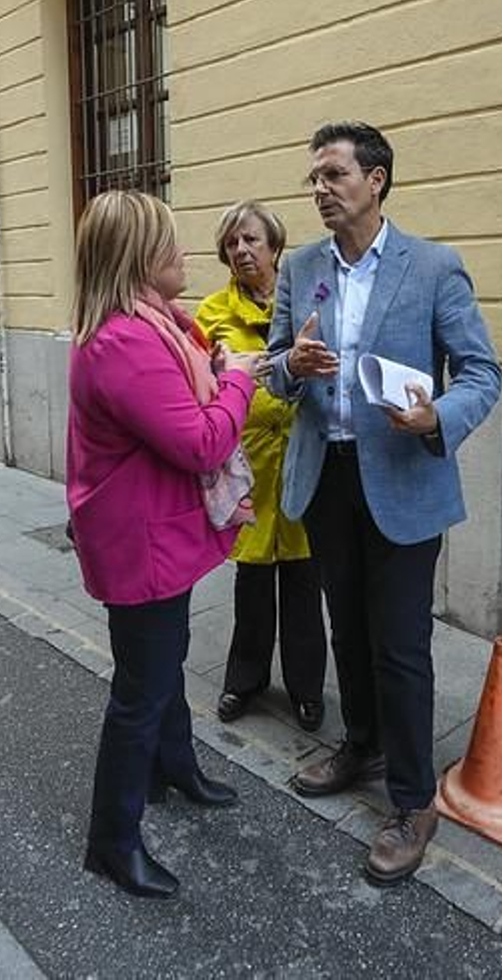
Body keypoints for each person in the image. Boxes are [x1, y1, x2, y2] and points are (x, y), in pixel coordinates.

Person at [267, 122, 501, 886]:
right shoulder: (301, 267)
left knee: (400, 644)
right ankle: (360, 741)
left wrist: (439, 415)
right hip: (327, 475)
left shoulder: (434, 267)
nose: (321, 189)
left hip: (402, 477)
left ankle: (412, 799)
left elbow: (480, 373)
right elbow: (273, 371)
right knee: (349, 628)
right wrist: (292, 367)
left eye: (333, 173)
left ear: (377, 180)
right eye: (315, 178)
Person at [67, 189, 263, 899]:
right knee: (140, 690)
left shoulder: (160, 327)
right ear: (139, 258)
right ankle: (111, 841)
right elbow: (202, 439)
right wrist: (238, 378)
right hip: (140, 542)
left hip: (154, 532)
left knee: (165, 661)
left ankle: (172, 767)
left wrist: (223, 364)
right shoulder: (126, 340)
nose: (184, 253)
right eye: (171, 243)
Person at [195, 200, 327, 733]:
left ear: (275, 247)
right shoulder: (211, 314)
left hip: (300, 459)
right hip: (246, 464)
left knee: (302, 584)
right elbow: (203, 384)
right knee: (251, 587)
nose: (242, 250)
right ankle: (244, 681)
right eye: (232, 243)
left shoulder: (308, 305)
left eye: (252, 240)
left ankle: (306, 690)